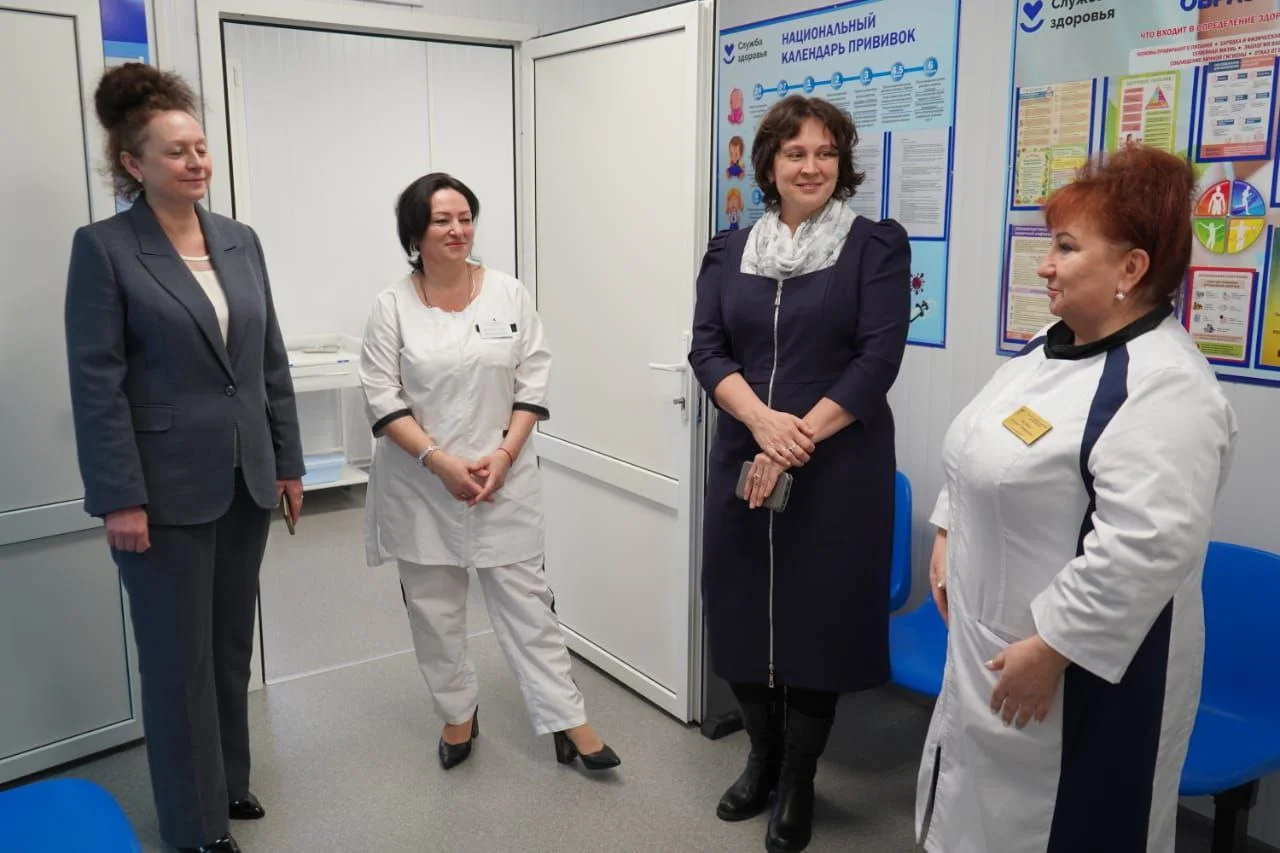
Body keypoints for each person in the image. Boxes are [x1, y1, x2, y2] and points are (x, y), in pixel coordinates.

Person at [916, 145, 1238, 853]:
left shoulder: (1166, 387)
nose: (1045, 265)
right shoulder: (1050, 344)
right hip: (994, 645)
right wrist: (947, 528)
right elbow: (978, 442)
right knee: (978, 817)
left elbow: (1146, 545)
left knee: (1072, 824)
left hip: (1082, 673)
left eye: (1065, 247)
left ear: (1131, 269)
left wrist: (1053, 648)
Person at [64, 64, 305, 853]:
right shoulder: (105, 249)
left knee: (229, 647)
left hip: (244, 478)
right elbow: (96, 384)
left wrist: (288, 461)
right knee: (177, 664)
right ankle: (194, 826)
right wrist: (119, 496)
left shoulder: (240, 239)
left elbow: (267, 361)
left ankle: (227, 781)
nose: (197, 161)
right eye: (176, 152)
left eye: (200, 147)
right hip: (161, 492)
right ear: (133, 164)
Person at [688, 95, 910, 853]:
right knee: (742, 606)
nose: (811, 166)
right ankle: (761, 757)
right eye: (795, 153)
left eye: (825, 153)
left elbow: (877, 358)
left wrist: (792, 437)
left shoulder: (875, 246)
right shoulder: (729, 251)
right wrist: (761, 422)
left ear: (841, 165)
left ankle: (799, 778)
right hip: (742, 454)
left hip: (839, 460)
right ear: (769, 166)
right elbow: (707, 349)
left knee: (819, 616)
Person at [358, 172, 620, 775]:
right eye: (442, 220)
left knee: (528, 603)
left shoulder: (508, 293)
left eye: (465, 218)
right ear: (415, 233)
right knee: (434, 610)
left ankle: (567, 719)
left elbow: (533, 379)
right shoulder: (392, 306)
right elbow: (380, 394)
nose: (457, 230)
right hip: (421, 482)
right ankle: (457, 714)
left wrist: (502, 456)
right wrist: (439, 461)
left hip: (504, 477)